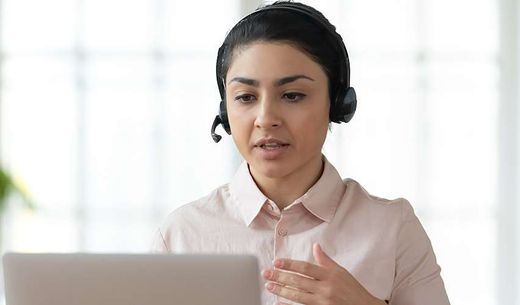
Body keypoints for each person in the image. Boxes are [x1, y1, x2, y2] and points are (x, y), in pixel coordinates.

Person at [151, 1, 451, 305]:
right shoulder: (181, 235)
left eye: (292, 95)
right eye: (245, 97)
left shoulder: (392, 228)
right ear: (225, 112)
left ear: (337, 104)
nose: (266, 118)